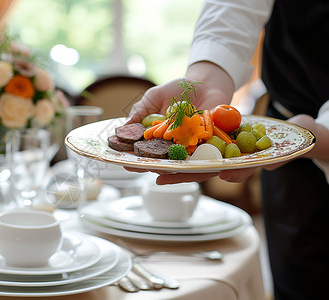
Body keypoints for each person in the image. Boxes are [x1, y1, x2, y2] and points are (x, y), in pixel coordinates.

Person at [127, 0, 329, 299]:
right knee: (297, 282)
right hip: (286, 139)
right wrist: (207, 76)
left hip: (304, 137)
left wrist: (320, 134)